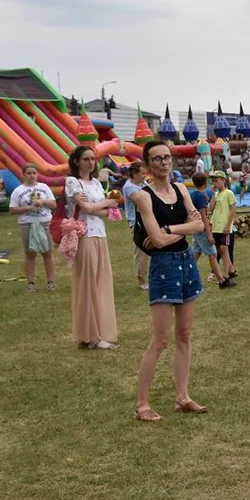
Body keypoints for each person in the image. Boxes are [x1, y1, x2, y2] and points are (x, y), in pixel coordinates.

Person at [132, 139, 207, 422]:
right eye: (157, 159)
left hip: (186, 261)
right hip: (163, 266)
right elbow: (158, 242)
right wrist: (180, 231)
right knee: (161, 339)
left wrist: (171, 228)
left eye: (167, 157)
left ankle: (182, 397)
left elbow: (198, 224)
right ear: (148, 164)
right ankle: (141, 405)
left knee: (184, 334)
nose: (164, 163)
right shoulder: (143, 196)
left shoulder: (180, 189)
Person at [66, 145, 120, 349]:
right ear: (77, 161)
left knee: (101, 283)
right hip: (85, 235)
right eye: (86, 159)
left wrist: (102, 206)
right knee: (87, 285)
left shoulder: (97, 182)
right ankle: (90, 335)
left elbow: (105, 213)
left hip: (100, 234)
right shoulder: (73, 182)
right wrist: (105, 204)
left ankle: (99, 332)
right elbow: (87, 208)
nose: (90, 162)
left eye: (93, 159)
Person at [9, 163, 57, 293]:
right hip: (27, 224)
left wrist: (42, 202)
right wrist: (28, 208)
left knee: (47, 253)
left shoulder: (44, 187)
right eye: (29, 173)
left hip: (44, 223)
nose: (32, 175)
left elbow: (53, 204)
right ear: (23, 175)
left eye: (34, 173)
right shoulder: (18, 191)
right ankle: (30, 283)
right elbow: (12, 209)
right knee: (30, 254)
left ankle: (51, 281)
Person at [190, 172, 233, 289]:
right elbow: (204, 215)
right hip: (202, 229)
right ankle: (222, 280)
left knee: (196, 253)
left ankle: (186, 274)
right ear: (205, 183)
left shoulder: (193, 194)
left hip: (195, 228)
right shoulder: (201, 196)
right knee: (213, 254)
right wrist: (209, 234)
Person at [121, 161, 150, 290]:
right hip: (137, 222)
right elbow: (141, 200)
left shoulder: (142, 184)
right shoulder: (129, 187)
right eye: (143, 173)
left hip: (147, 220)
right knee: (141, 252)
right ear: (134, 173)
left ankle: (149, 277)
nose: (145, 176)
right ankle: (141, 280)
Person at [207, 170, 237, 281]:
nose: (214, 183)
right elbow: (211, 209)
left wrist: (228, 225)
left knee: (224, 250)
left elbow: (233, 209)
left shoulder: (229, 193)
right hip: (216, 226)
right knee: (219, 249)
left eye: (216, 181)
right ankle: (231, 269)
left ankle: (225, 274)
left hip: (225, 227)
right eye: (213, 181)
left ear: (223, 180)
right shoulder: (216, 194)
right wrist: (213, 196)